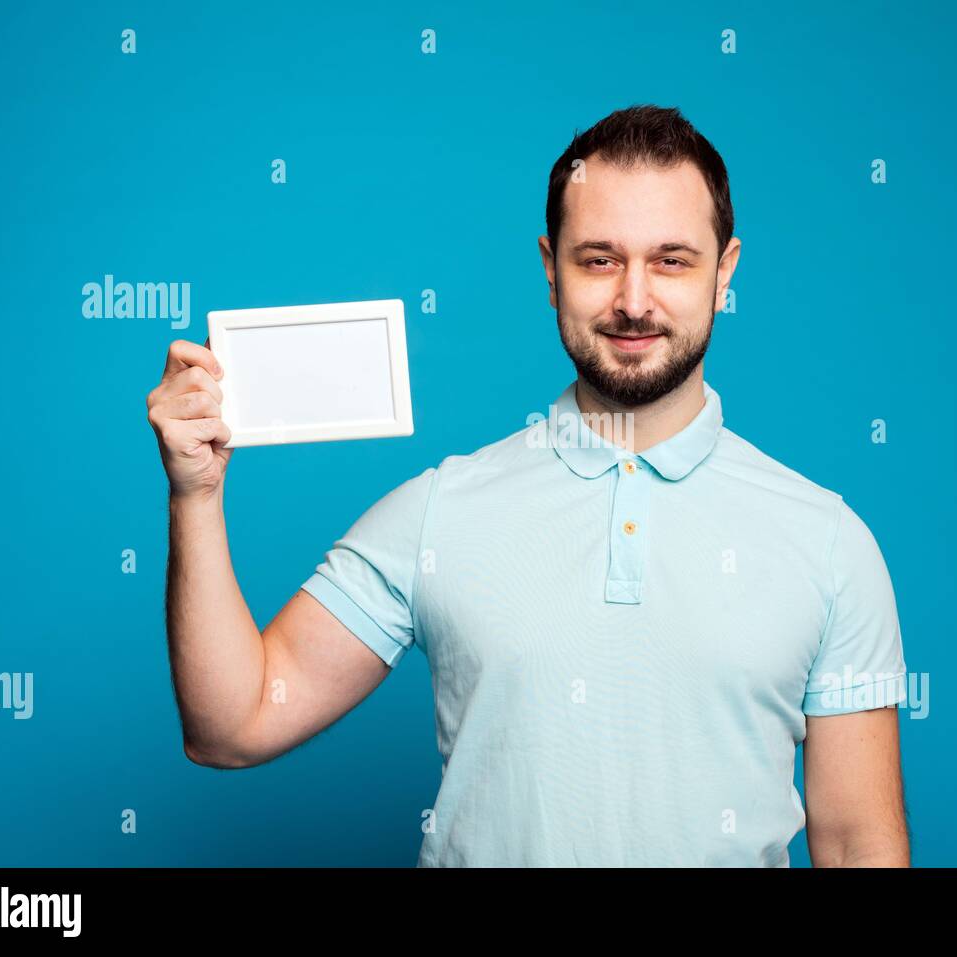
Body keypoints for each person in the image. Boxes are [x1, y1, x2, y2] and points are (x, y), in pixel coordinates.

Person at [146, 104, 910, 867]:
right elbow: (232, 724)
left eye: (672, 260)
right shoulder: (439, 512)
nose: (635, 300)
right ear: (551, 268)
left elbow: (854, 842)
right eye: (599, 259)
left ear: (725, 272)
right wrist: (196, 495)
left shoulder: (829, 542)